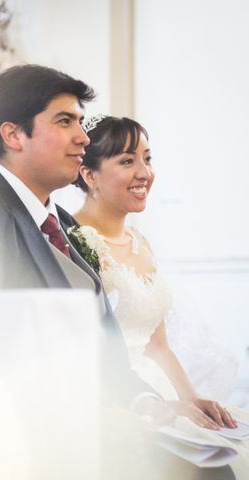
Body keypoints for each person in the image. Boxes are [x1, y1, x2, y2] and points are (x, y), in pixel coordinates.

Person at [0, 64, 235, 479]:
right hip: (34, 450)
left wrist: (147, 404)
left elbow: (105, 353)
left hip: (106, 432)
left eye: (80, 122)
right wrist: (91, 419)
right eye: (65, 121)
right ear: (13, 135)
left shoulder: (66, 225)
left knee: (214, 467)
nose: (82, 137)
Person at [71, 115, 238, 430]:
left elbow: (157, 344)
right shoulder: (77, 240)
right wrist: (142, 407)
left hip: (160, 392)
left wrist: (190, 397)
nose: (144, 173)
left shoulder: (140, 241)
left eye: (147, 159)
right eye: (127, 161)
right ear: (89, 175)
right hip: (119, 401)